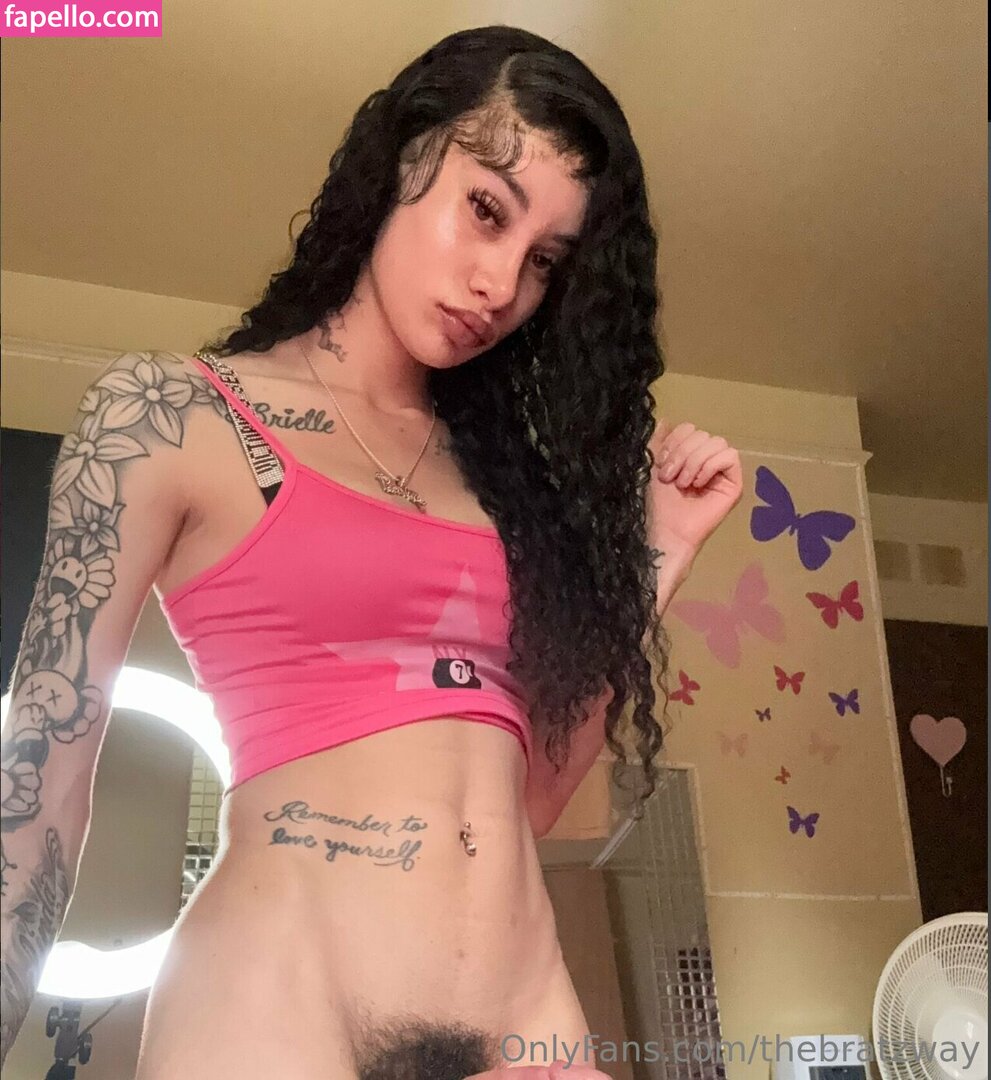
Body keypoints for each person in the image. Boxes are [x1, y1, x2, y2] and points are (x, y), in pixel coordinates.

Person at [0, 25, 743, 1080]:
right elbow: (40, 790)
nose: (500, 283)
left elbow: (530, 800)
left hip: (527, 1010)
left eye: (544, 262)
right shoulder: (172, 416)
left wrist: (656, 551)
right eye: (485, 209)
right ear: (401, 159)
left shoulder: (507, 490)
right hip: (275, 1007)